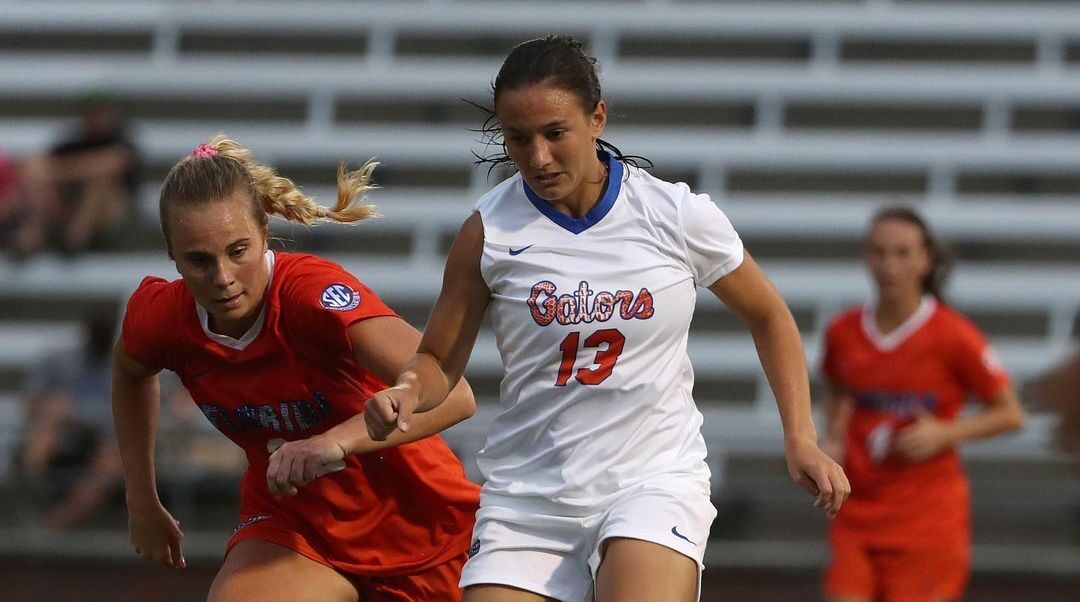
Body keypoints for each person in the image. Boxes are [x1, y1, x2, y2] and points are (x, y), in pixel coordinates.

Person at [356, 35, 849, 602]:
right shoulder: (488, 233)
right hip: (529, 497)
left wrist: (800, 438)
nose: (537, 157)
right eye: (518, 139)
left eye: (554, 133)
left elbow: (769, 314)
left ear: (597, 119)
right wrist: (408, 390)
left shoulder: (674, 214)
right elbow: (440, 359)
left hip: (651, 480)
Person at [111, 135, 481, 602]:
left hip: (424, 526)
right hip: (296, 528)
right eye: (199, 261)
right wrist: (141, 497)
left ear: (265, 232)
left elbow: (456, 393)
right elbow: (129, 371)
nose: (223, 278)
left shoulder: (311, 295)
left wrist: (334, 443)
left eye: (238, 251)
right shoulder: (162, 317)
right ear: (171, 254)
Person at [819, 206, 1027, 602]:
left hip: (926, 522)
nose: (889, 264)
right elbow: (835, 385)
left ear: (926, 259)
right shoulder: (842, 331)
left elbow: (1011, 413)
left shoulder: (954, 335)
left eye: (902, 253)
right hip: (856, 512)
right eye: (879, 252)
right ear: (866, 257)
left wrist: (947, 432)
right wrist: (832, 434)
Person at [16, 312, 124, 530]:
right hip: (60, 433)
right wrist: (54, 408)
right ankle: (28, 504)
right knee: (41, 441)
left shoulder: (124, 365)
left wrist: (76, 411)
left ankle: (54, 525)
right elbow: (30, 404)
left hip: (106, 439)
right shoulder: (59, 361)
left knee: (113, 461)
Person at [10, 89, 138, 257]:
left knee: (99, 184)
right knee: (40, 185)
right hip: (68, 209)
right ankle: (33, 236)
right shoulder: (71, 145)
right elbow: (34, 167)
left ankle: (76, 237)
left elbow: (111, 164)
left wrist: (63, 170)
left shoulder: (122, 143)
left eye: (101, 113)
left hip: (112, 219)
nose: (96, 119)